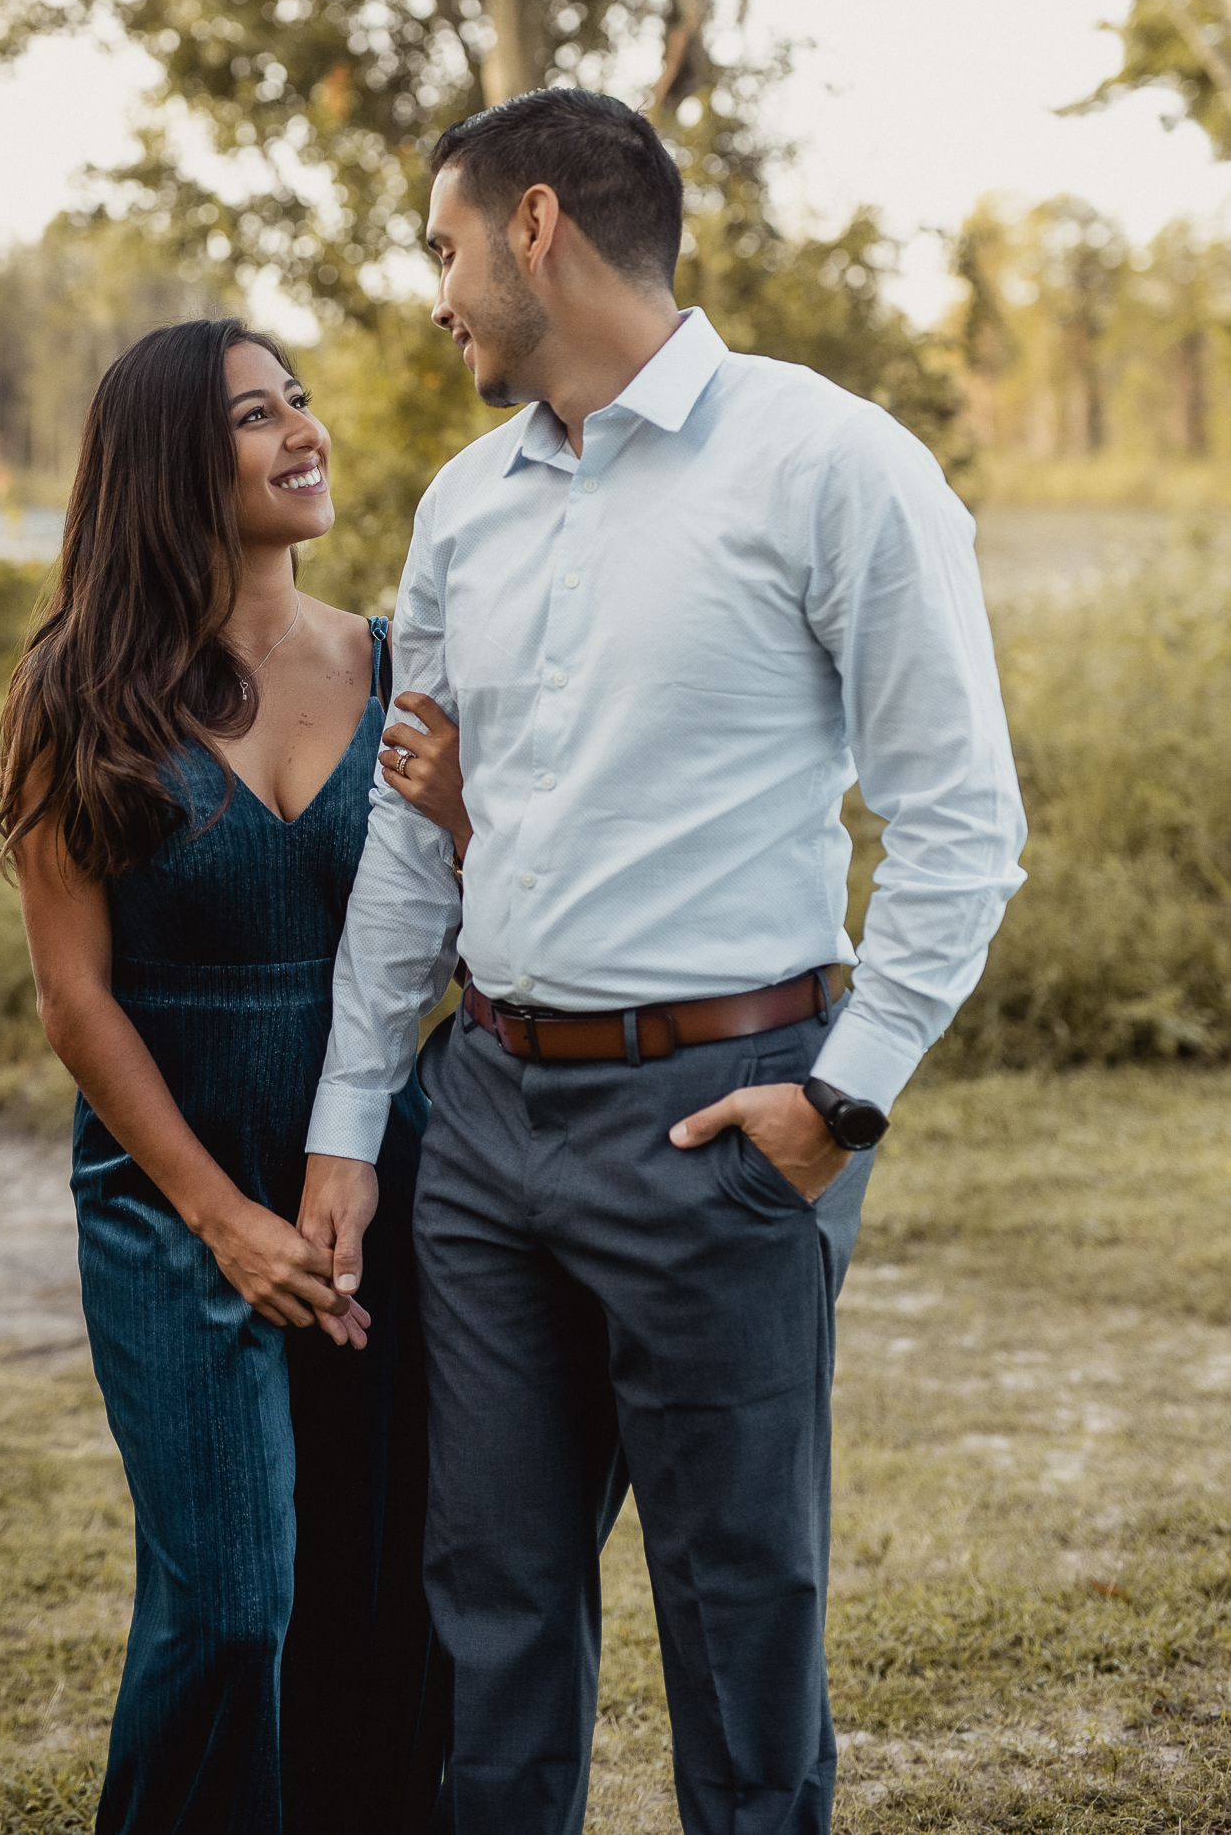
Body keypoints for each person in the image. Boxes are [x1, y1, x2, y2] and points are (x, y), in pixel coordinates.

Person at [298, 89, 1028, 1835]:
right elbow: (415, 828)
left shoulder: (831, 463)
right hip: (482, 1118)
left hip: (723, 1114)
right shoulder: (465, 503)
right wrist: (351, 1117)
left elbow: (958, 820)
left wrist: (836, 1102)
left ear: (534, 223)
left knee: (737, 1605)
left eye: (444, 247)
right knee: (485, 1596)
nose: (437, 292)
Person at [0, 319, 465, 1835]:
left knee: (380, 1597)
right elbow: (74, 1002)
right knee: (232, 1605)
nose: (303, 432)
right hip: (171, 1199)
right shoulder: (76, 690)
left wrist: (466, 817)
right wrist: (217, 1215)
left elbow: (457, 940)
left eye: (299, 402)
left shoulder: (396, 665)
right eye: (257, 417)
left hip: (377, 1173)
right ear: (169, 466)